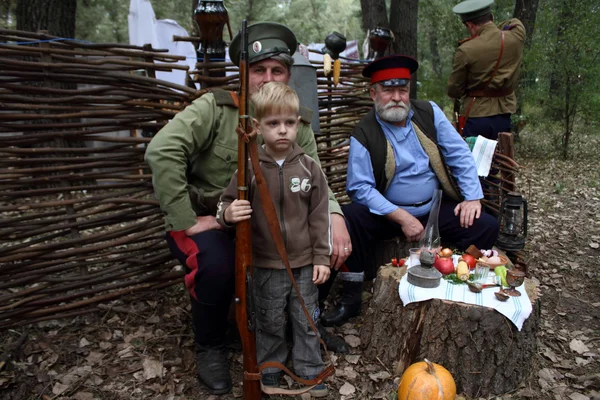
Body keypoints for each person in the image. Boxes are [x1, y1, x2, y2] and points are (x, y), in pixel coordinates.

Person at [144, 22, 351, 395]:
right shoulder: (214, 108)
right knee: (218, 265)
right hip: (213, 222)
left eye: (277, 70)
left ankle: (303, 329)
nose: (266, 78)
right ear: (243, 72)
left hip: (270, 229)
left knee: (328, 245)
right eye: (258, 70)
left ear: (288, 75)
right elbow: (161, 151)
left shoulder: (296, 121)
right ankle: (211, 344)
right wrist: (188, 221)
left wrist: (335, 217)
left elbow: (315, 177)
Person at [320, 55, 500, 327]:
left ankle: (461, 280)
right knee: (350, 217)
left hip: (434, 209)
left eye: (402, 89)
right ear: (373, 93)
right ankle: (351, 297)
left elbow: (460, 154)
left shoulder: (428, 113)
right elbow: (359, 188)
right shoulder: (364, 132)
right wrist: (401, 216)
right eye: (388, 90)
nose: (396, 97)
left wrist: (472, 196)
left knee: (483, 224)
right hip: (387, 214)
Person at [216, 82, 330, 397]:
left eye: (289, 123)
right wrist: (227, 214)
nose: (282, 131)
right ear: (257, 126)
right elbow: (225, 203)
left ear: (298, 124)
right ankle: (271, 369)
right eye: (273, 124)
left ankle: (309, 370)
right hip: (265, 263)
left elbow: (320, 216)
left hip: (304, 263)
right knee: (268, 320)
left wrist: (321, 256)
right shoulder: (249, 167)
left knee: (306, 317)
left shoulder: (309, 169)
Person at [447, 0, 525, 140]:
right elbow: (514, 21)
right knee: (501, 157)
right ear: (492, 18)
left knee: (472, 160)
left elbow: (454, 90)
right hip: (504, 113)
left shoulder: (466, 50)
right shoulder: (517, 36)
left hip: (476, 115)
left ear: (469, 24)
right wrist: (493, 30)